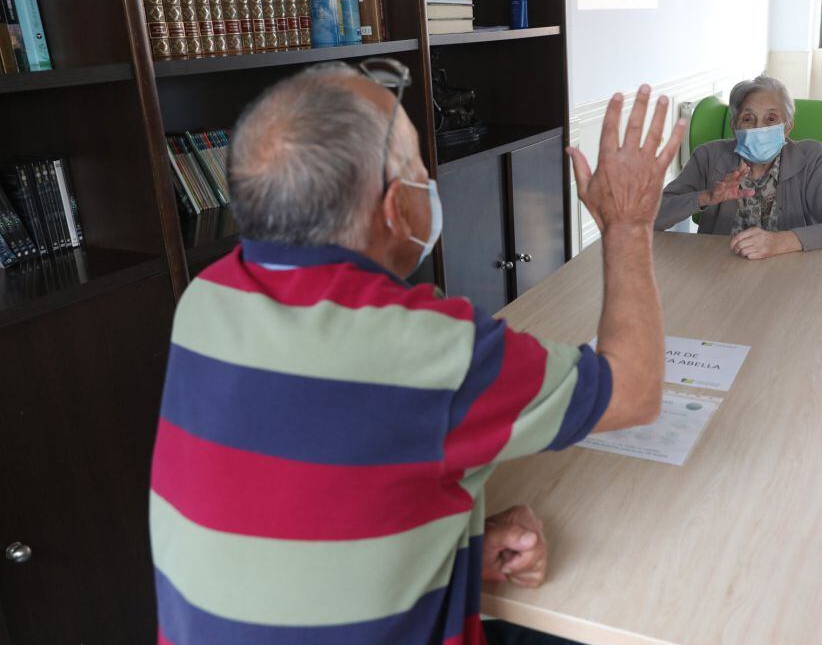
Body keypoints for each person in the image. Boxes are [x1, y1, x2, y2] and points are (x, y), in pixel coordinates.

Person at [148, 59, 686, 645]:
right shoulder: (428, 349)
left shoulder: (206, 303)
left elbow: (296, 494)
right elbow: (633, 389)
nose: (427, 182)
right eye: (417, 168)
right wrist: (628, 225)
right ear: (391, 206)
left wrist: (452, 544)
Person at [654, 75, 822, 259]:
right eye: (748, 118)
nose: (759, 128)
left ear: (787, 127)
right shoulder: (708, 156)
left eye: (771, 119)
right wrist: (706, 197)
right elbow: (652, 218)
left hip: (792, 275)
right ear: (734, 126)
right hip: (718, 272)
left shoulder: (811, 158)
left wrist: (779, 242)